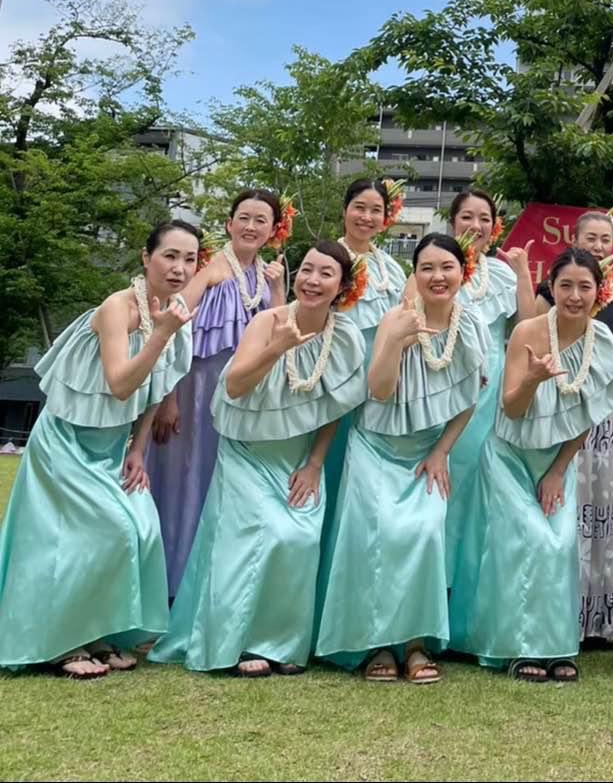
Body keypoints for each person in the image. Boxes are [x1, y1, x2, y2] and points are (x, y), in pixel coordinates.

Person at [150, 242, 365, 678]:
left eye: (326, 273)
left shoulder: (346, 337)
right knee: (256, 536)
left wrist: (315, 465)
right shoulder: (267, 322)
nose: (312, 280)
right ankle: (235, 642)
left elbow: (335, 409)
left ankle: (280, 644)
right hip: (245, 453)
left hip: (298, 459)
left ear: (342, 286)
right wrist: (276, 348)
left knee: (297, 540)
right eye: (306, 270)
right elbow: (235, 387)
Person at [0, 222, 202, 676]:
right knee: (93, 533)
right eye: (170, 255)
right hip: (65, 441)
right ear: (145, 257)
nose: (180, 268)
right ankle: (62, 643)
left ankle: (102, 631)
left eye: (189, 259)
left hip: (113, 446)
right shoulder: (118, 308)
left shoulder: (175, 316)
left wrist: (138, 449)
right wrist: (160, 335)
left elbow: (156, 389)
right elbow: (119, 383)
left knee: (141, 529)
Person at [449, 248, 613, 682]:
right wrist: (531, 380)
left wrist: (558, 471)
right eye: (565, 285)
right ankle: (518, 646)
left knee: (560, 546)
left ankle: (556, 647)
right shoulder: (528, 332)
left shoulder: (602, 343)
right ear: (551, 285)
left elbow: (587, 417)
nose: (574, 295)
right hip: (509, 457)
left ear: (598, 292)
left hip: (557, 462)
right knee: (528, 543)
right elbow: (510, 409)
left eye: (584, 287)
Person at [315, 233, 488, 683]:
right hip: (375, 445)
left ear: (461, 272)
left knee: (424, 533)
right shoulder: (396, 318)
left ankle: (415, 643)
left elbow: (471, 395)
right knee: (376, 536)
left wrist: (441, 453)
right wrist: (396, 342)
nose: (437, 276)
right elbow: (379, 390)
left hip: (425, 454)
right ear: (414, 273)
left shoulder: (471, 326)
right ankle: (375, 645)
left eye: (446, 267)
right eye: (427, 267)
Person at [148, 188, 285, 598]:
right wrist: (168, 396)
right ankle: (168, 585)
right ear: (229, 223)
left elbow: (280, 330)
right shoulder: (207, 269)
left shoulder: (267, 274)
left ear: (273, 230)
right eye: (244, 217)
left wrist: (278, 288)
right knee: (183, 480)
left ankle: (210, 587)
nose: (251, 226)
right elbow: (173, 329)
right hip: (194, 389)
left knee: (218, 484)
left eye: (261, 219)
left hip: (240, 394)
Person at [537, 211, 613, 642]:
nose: (598, 244)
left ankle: (603, 617)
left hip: (606, 420)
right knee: (568, 506)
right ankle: (561, 610)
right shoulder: (549, 294)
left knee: (603, 506)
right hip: (561, 409)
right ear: (573, 239)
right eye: (590, 237)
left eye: (605, 239)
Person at [442, 189, 535, 581]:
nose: (475, 226)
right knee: (446, 482)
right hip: (445, 385)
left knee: (484, 485)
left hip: (493, 387)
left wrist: (524, 273)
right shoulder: (439, 266)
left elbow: (526, 326)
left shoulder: (500, 273)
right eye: (467, 217)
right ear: (452, 223)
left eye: (484, 219)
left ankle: (472, 589)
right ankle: (438, 584)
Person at [319, 178, 408, 533]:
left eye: (376, 210)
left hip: (379, 381)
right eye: (360, 207)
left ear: (387, 217)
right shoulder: (327, 258)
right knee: (329, 461)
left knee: (365, 478)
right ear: (345, 211)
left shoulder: (392, 268)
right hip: (335, 374)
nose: (367, 217)